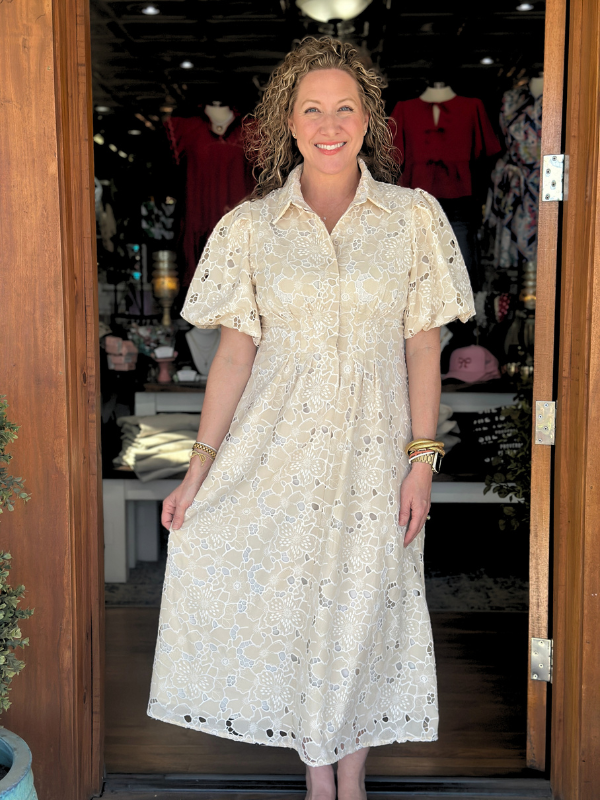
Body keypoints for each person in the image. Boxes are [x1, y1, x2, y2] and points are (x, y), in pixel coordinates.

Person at [148, 36, 475, 800]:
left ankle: (347, 783)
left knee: (366, 611)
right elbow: (233, 359)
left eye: (345, 108)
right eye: (312, 110)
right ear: (287, 125)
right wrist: (197, 473)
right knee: (296, 609)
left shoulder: (412, 218)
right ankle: (315, 778)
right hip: (275, 455)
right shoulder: (252, 228)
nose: (330, 125)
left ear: (370, 121)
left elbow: (423, 347)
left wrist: (421, 462)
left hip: (375, 458)